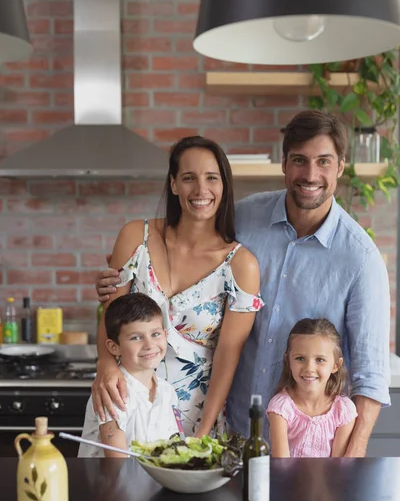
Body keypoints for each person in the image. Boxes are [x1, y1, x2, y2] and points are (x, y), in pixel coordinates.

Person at [94, 110, 390, 456]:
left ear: (341, 166)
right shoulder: (245, 218)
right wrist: (114, 284)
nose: (310, 174)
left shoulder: (360, 259)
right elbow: (191, 235)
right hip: (233, 432)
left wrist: (347, 466)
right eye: (299, 160)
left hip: (304, 448)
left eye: (323, 161)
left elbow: (370, 378)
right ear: (284, 164)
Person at [92, 135, 263, 437]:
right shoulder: (135, 238)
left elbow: (227, 357)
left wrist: (203, 432)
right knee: (113, 484)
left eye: (212, 178)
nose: (201, 190)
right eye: (188, 178)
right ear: (173, 185)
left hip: (194, 418)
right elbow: (111, 314)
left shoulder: (241, 266)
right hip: (123, 405)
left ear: (224, 185)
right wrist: (105, 365)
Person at [78, 293, 179, 457]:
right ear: (113, 347)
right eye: (136, 337)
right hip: (113, 481)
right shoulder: (114, 392)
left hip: (151, 482)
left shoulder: (168, 392)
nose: (149, 345)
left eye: (155, 334)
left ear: (165, 335)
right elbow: (116, 464)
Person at [267, 318, 358, 457]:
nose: (309, 368)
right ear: (288, 361)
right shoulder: (281, 408)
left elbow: (338, 467)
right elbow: (282, 466)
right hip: (289, 479)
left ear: (336, 365)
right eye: (300, 358)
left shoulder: (344, 410)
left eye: (320, 360)